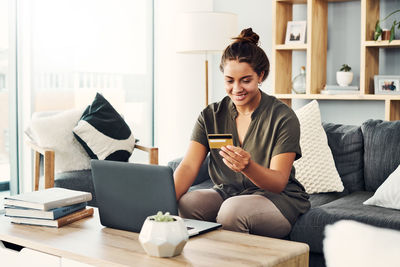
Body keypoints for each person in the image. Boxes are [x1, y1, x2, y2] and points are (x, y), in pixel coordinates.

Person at [173, 28, 310, 238]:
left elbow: (278, 182)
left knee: (231, 211)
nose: (237, 88)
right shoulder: (211, 115)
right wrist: (158, 203)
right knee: (188, 202)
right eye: (229, 80)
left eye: (245, 80)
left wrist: (249, 167)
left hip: (277, 198)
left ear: (260, 76)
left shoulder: (283, 117)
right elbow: (189, 166)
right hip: (228, 192)